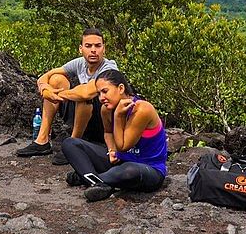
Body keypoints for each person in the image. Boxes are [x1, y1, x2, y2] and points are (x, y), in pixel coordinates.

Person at [62, 69, 167, 202]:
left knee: (128, 170)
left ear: (121, 88)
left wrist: (118, 116)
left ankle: (87, 178)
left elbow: (123, 146)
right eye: (99, 94)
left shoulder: (142, 109)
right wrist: (111, 150)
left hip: (148, 168)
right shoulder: (106, 109)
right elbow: (108, 132)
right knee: (70, 143)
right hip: (119, 161)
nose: (101, 98)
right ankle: (99, 182)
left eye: (105, 91)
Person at [16, 28, 118, 165]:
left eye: (97, 46)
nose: (93, 50)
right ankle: (42, 140)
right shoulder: (80, 63)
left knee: (83, 96)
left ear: (104, 49)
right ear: (81, 49)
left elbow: (86, 93)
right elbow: (47, 75)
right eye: (88, 46)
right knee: (56, 79)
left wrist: (55, 94)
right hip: (82, 117)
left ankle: (73, 145)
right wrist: (44, 88)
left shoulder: (109, 68)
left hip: (103, 122)